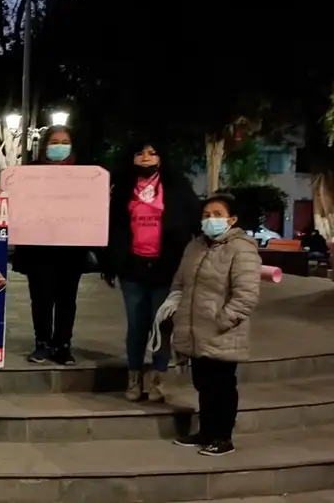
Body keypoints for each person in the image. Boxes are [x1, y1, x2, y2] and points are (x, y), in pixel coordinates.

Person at [103, 142, 200, 402]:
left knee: (162, 326)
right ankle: (134, 378)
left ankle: (158, 378)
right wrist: (111, 263)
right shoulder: (121, 189)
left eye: (152, 152)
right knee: (137, 326)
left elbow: (196, 222)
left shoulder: (177, 188)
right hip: (133, 269)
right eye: (140, 153)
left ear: (161, 157)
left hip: (166, 269)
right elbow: (109, 227)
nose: (146, 157)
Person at [172, 194, 260, 456]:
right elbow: (180, 281)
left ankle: (223, 437)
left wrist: (221, 321)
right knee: (204, 385)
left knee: (221, 386)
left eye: (217, 215)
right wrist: (175, 307)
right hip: (195, 330)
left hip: (222, 331)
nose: (211, 220)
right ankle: (206, 432)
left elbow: (246, 295)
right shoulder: (195, 246)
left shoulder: (242, 248)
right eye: (206, 215)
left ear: (231, 219)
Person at [13, 126, 89, 366]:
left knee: (67, 299)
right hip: (38, 249)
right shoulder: (30, 173)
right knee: (41, 299)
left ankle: (63, 345)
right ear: (45, 145)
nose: (59, 146)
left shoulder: (84, 176)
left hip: (70, 248)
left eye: (64, 141)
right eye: (54, 141)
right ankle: (42, 344)